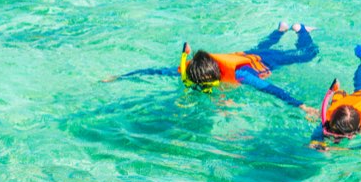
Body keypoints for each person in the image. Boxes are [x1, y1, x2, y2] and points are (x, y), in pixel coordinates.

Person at [107, 22, 320, 114]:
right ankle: (280, 30)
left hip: (264, 61)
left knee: (307, 55)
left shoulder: (242, 74)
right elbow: (154, 71)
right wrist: (120, 77)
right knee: (259, 47)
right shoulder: (192, 69)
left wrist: (301, 106)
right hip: (244, 54)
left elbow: (271, 89)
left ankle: (300, 29)